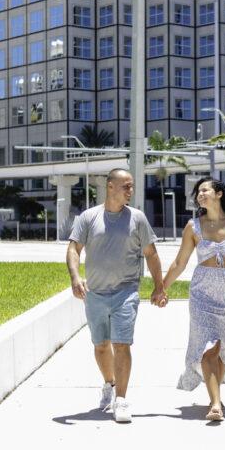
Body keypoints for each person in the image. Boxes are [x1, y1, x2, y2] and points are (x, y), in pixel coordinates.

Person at [67, 168, 166, 423]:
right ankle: (109, 385)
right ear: (110, 186)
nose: (131, 191)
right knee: (101, 346)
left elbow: (151, 254)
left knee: (122, 345)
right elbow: (74, 249)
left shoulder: (137, 218)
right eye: (126, 186)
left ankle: (121, 400)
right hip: (95, 293)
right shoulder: (88, 217)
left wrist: (159, 286)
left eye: (131, 186)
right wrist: (75, 277)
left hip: (126, 291)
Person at [161, 176, 225, 421]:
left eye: (205, 190)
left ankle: (215, 396)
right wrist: (161, 288)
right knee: (206, 349)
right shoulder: (193, 226)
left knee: (223, 350)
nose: (200, 195)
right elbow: (179, 262)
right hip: (201, 292)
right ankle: (215, 404)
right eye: (198, 192)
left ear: (219, 193)